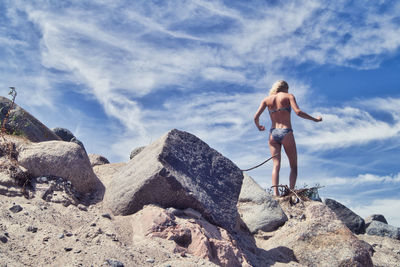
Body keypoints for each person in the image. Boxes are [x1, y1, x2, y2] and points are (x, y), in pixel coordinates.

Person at [254, 80, 322, 196]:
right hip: (286, 132)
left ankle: (275, 194)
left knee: (276, 165)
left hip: (273, 133)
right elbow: (298, 112)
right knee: (293, 166)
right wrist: (315, 119)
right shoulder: (289, 96)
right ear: (286, 88)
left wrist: (259, 126)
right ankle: (291, 193)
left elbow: (255, 117)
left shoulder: (266, 100)